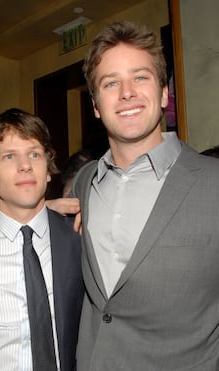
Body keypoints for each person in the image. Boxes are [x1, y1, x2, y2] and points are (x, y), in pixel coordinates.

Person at [71, 20, 219, 370]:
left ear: (164, 93)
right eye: (111, 83)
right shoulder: (84, 183)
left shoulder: (214, 182)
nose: (127, 93)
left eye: (140, 77)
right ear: (95, 105)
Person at [0, 108, 84, 371]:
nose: (25, 165)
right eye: (9, 156)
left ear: (48, 169)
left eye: (34, 154)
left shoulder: (79, 238)